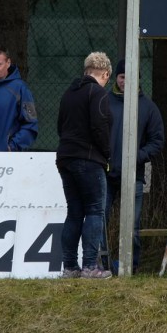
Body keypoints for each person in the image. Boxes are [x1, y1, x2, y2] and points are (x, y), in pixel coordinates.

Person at [104, 58, 164, 275]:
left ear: (138, 79)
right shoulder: (103, 102)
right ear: (116, 78)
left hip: (134, 175)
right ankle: (102, 263)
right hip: (105, 174)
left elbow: (157, 141)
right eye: (122, 77)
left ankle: (132, 265)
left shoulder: (148, 107)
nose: (125, 81)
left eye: (130, 77)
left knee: (133, 224)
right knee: (100, 219)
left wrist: (136, 157)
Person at [56, 51, 113, 279]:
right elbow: (100, 126)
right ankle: (90, 266)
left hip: (65, 157)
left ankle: (70, 267)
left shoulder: (68, 94)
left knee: (74, 212)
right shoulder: (98, 93)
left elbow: (60, 126)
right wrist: (107, 154)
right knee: (95, 210)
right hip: (89, 158)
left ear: (86, 70)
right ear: (105, 74)